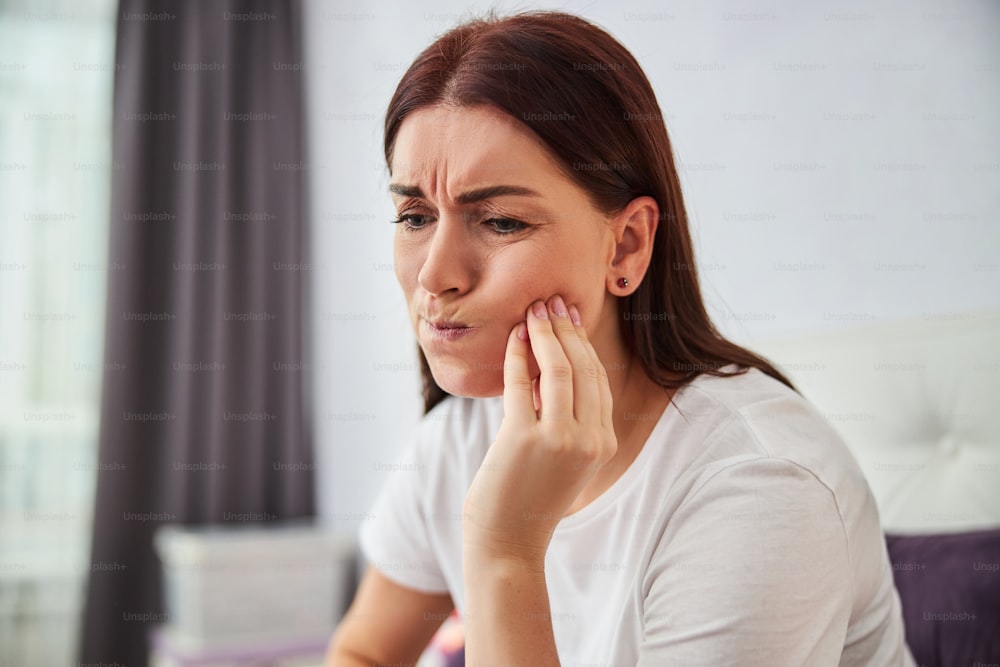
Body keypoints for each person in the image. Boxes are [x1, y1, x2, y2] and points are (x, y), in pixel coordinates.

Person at [327, 10, 914, 666]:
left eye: (498, 221)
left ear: (626, 245)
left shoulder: (757, 486)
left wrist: (504, 551)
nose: (435, 273)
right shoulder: (461, 437)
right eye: (414, 215)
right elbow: (364, 651)